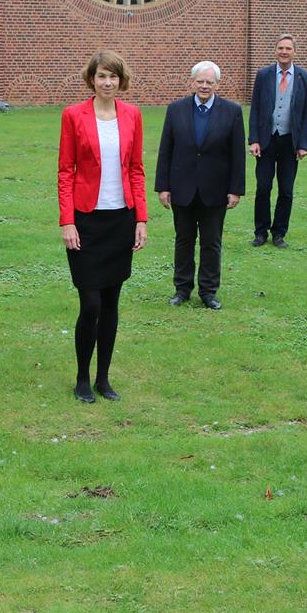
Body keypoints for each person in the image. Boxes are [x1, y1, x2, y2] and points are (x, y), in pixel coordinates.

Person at [59, 50, 148, 402]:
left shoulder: (133, 116)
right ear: (91, 79)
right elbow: (66, 172)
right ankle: (82, 376)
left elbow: (137, 170)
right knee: (91, 303)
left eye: (113, 76)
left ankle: (103, 378)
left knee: (111, 301)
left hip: (120, 220)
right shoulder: (73, 116)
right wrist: (68, 221)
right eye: (101, 76)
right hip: (86, 221)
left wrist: (141, 218)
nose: (107, 82)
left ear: (120, 80)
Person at [155, 60, 245, 309]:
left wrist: (235, 189)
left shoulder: (232, 111)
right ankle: (182, 290)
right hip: (182, 188)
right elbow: (166, 149)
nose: (204, 86)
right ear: (193, 82)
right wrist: (163, 186)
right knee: (183, 240)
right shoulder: (176, 110)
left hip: (215, 190)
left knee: (211, 242)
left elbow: (238, 154)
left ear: (217, 83)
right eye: (200, 81)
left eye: (209, 82)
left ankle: (208, 292)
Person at [248, 35, 307, 247]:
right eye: (280, 48)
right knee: (263, 187)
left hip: (289, 141)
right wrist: (254, 139)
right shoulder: (263, 75)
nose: (284, 52)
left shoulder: (305, 78)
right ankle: (260, 232)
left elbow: (306, 114)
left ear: (294, 51)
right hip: (266, 140)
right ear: (275, 51)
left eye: (288, 48)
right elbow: (255, 108)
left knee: (286, 190)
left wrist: (303, 144)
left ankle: (279, 233)